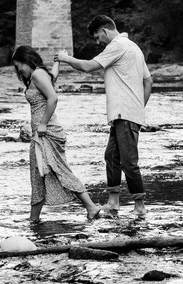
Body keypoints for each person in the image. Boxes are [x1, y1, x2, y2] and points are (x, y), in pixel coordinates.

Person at [55, 15, 152, 217]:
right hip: (124, 113)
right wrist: (139, 108)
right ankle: (114, 202)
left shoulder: (117, 46)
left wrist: (65, 59)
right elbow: (148, 82)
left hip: (125, 113)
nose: (98, 42)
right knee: (112, 157)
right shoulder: (134, 47)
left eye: (97, 37)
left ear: (105, 31)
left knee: (128, 161)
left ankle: (140, 206)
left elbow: (88, 66)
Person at [11, 45, 102, 224]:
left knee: (59, 170)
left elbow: (53, 97)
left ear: (28, 59)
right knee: (37, 174)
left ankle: (91, 207)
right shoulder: (38, 75)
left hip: (47, 132)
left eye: (20, 64)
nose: (19, 69)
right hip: (40, 135)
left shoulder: (37, 74)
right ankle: (34, 219)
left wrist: (43, 123)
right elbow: (53, 78)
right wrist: (58, 62)